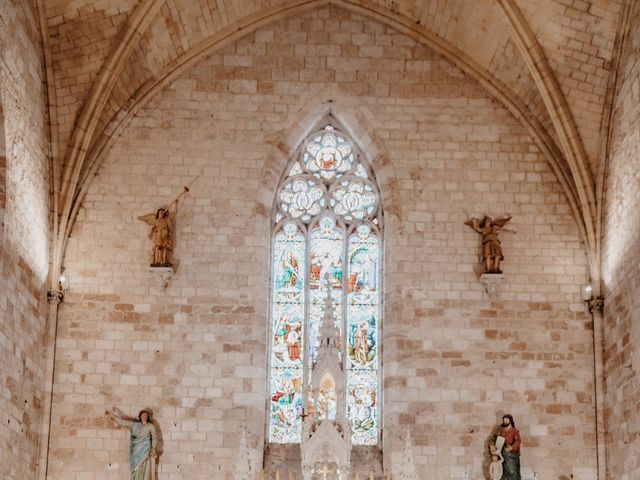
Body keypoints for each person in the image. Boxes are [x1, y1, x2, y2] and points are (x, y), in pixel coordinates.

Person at [138, 186, 189, 267]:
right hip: (158, 235)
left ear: (164, 213)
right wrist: (151, 234)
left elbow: (175, 213)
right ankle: (157, 261)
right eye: (160, 212)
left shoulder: (166, 219)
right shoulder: (156, 220)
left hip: (165, 235)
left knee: (164, 248)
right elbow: (153, 227)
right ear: (158, 214)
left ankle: (164, 261)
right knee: (158, 248)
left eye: (162, 212)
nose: (161, 213)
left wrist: (176, 204)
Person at [106, 407, 157, 480]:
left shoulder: (150, 426)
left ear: (148, 417)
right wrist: (113, 416)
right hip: (136, 451)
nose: (144, 416)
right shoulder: (134, 424)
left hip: (146, 451)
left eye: (146, 415)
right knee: (136, 470)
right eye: (143, 415)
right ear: (140, 416)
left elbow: (154, 437)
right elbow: (122, 422)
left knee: (146, 471)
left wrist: (153, 447)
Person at [492, 414, 521, 480]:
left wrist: (512, 447)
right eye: (504, 420)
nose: (505, 421)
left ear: (510, 421)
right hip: (501, 454)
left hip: (511, 456)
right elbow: (493, 438)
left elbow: (518, 441)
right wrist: (491, 445)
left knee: (512, 471)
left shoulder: (514, 431)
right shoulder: (500, 430)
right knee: (502, 472)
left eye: (506, 420)